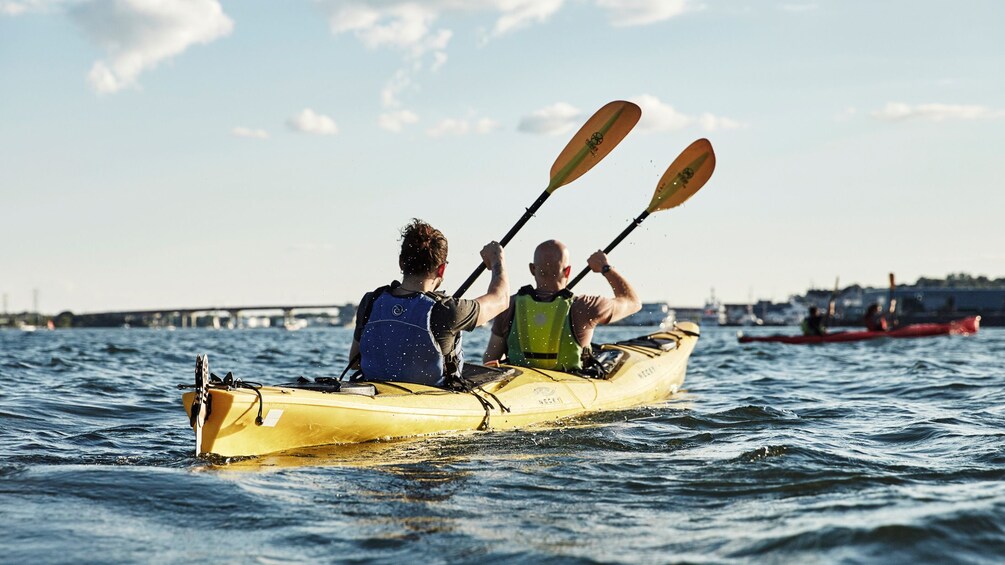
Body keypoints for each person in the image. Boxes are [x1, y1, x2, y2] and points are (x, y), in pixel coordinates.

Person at [348, 219, 509, 386]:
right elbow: (501, 299)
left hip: (373, 395)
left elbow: (355, 362)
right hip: (428, 399)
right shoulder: (447, 310)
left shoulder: (372, 301)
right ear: (441, 269)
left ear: (401, 262)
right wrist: (497, 259)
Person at [483, 239, 641, 371]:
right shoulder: (585, 307)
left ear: (532, 269)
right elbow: (633, 302)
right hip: (569, 386)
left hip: (520, 388)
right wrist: (605, 268)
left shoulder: (509, 305)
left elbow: (490, 359)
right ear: (568, 271)